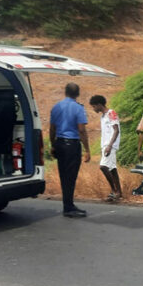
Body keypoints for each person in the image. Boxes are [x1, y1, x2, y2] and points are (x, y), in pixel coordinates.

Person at [49, 83, 91, 218]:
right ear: (77, 94)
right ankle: (68, 207)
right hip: (72, 145)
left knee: (63, 175)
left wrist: (53, 144)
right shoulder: (78, 108)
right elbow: (81, 130)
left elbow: (52, 129)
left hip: (60, 143)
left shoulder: (56, 107)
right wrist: (87, 149)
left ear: (65, 92)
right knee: (71, 176)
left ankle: (68, 204)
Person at [89, 95, 122, 202]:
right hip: (106, 146)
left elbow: (116, 130)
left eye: (94, 106)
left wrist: (109, 145)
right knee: (112, 168)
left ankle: (114, 190)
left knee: (103, 167)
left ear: (99, 104)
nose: (93, 109)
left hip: (110, 145)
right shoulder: (103, 116)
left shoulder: (111, 113)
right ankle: (119, 192)